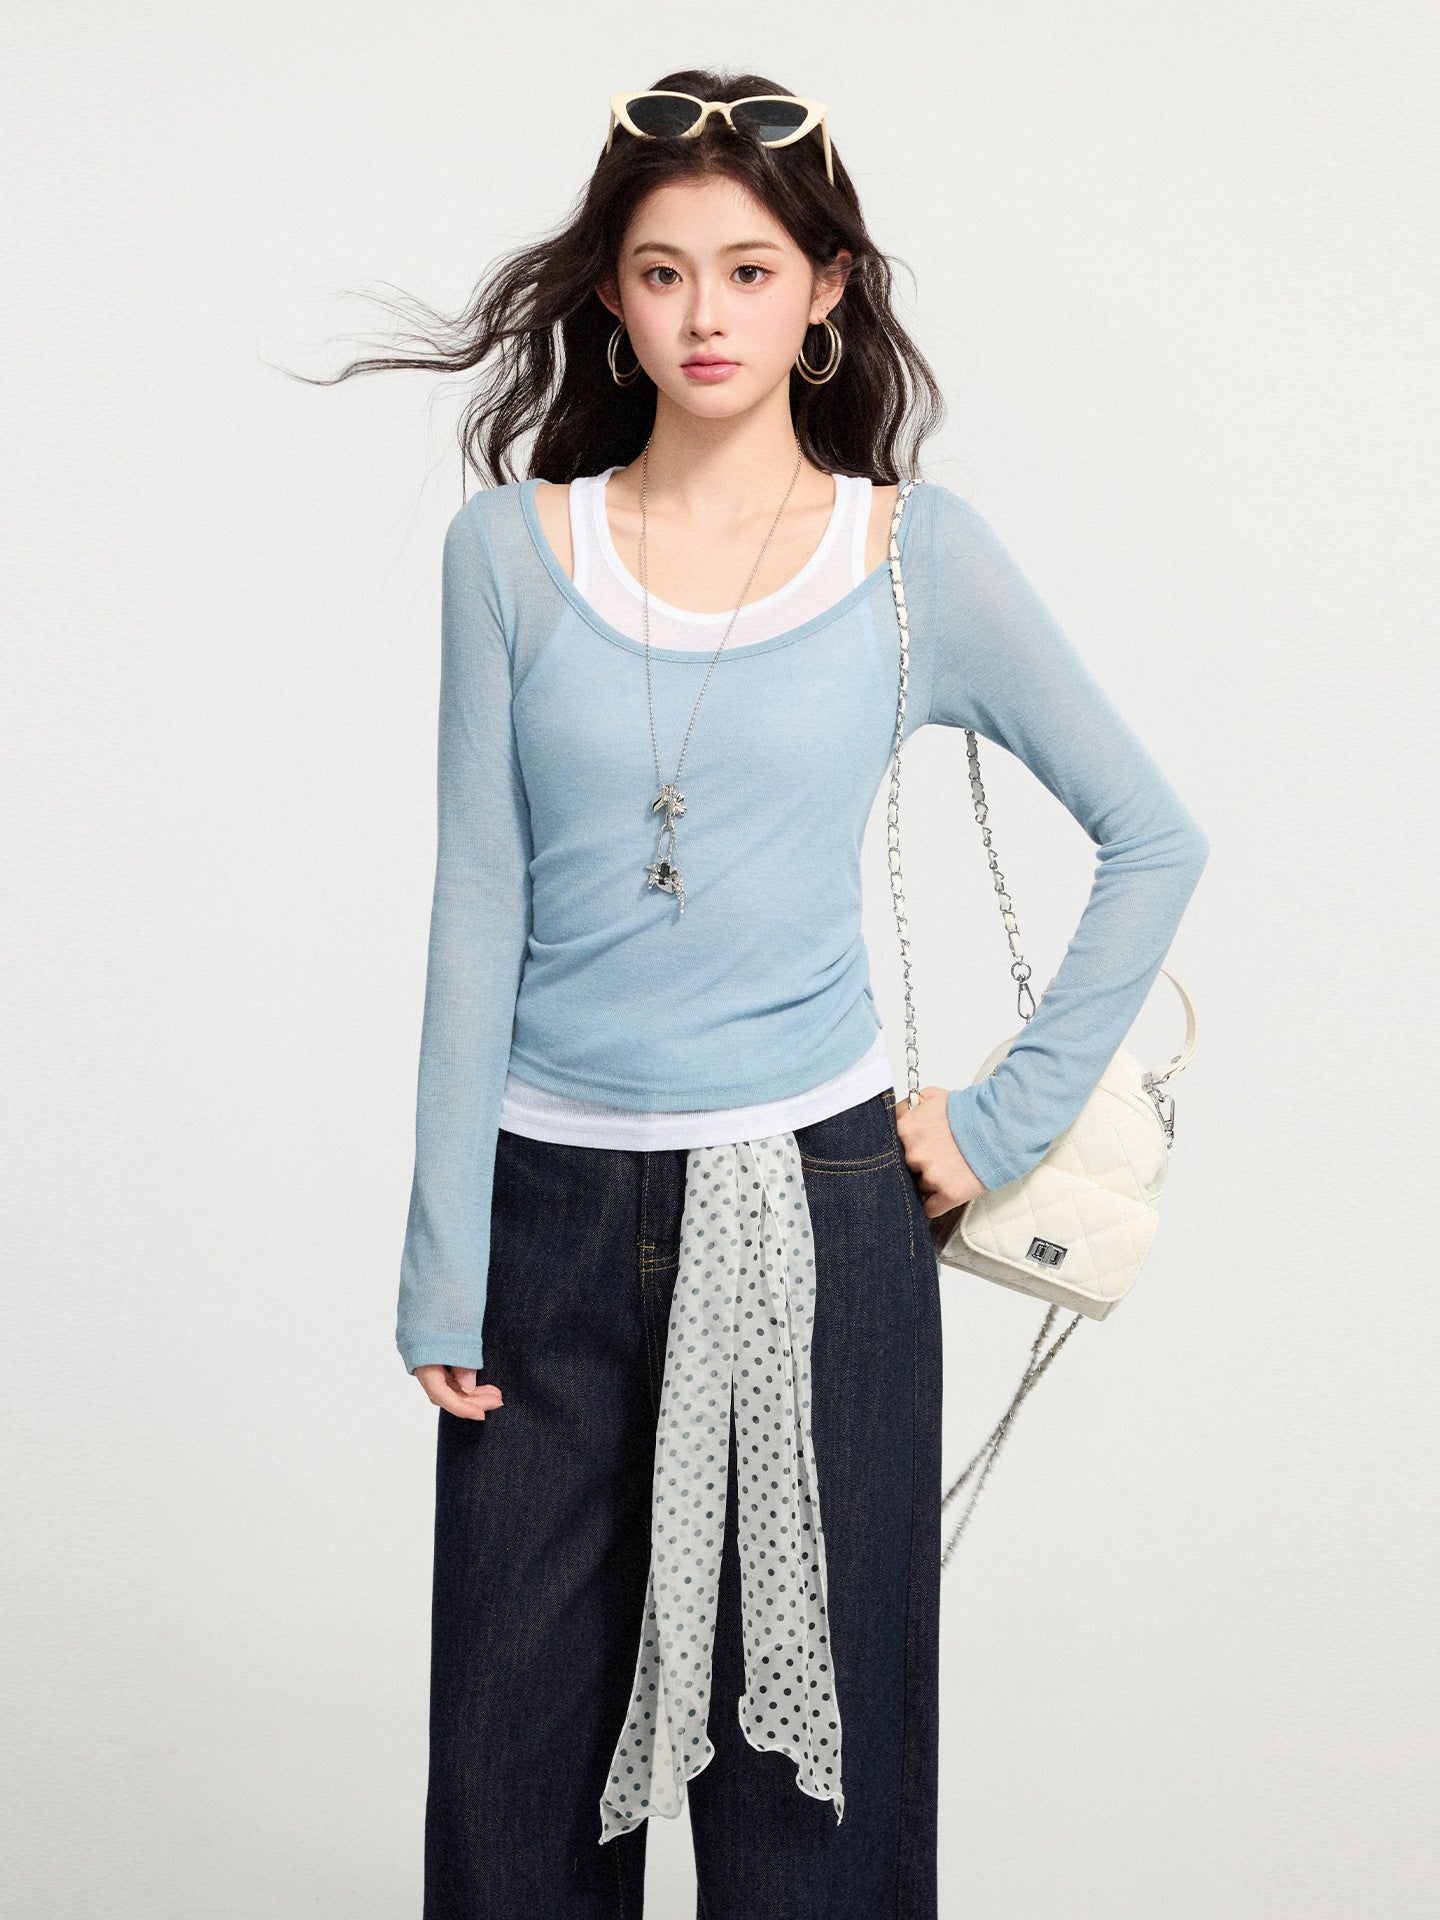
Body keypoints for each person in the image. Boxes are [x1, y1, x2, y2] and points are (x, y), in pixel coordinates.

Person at [326, 67, 1209, 1920]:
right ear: (611, 296)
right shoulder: (507, 554)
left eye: (749, 270)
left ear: (824, 294)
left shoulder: (913, 560)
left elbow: (1153, 837)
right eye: (663, 273)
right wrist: (441, 1258)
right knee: (508, 1807)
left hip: (816, 1214)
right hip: (544, 1227)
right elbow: (476, 906)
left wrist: (998, 1123)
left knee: (814, 1826)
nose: (705, 314)